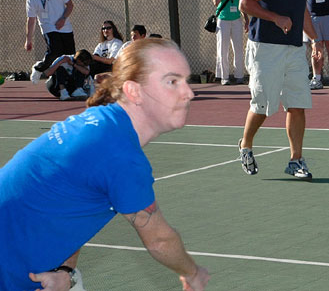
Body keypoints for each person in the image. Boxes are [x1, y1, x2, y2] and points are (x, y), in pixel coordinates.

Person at [0, 38, 211, 291]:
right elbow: (159, 240)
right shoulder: (119, 154)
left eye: (186, 81)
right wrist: (192, 273)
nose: (188, 93)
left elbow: (71, 206)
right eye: (171, 82)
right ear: (134, 91)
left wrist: (65, 270)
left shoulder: (100, 123)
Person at [238, 0, 318, 179]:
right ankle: (246, 145)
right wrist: (275, 18)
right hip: (266, 48)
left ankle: (296, 160)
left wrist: (315, 40)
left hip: (294, 49)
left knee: (296, 105)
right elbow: (246, 3)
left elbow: (302, 10)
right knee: (262, 105)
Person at [24, 0, 76, 85]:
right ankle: (39, 68)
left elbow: (70, 5)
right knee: (55, 50)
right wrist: (28, 40)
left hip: (65, 27)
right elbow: (31, 20)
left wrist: (63, 19)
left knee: (70, 56)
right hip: (48, 28)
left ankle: (66, 83)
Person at [212, 0, 249, 85]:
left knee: (238, 48)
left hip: (236, 19)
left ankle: (239, 75)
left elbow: (241, 4)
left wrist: (246, 20)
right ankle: (224, 77)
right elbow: (216, 3)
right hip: (223, 20)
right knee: (223, 49)